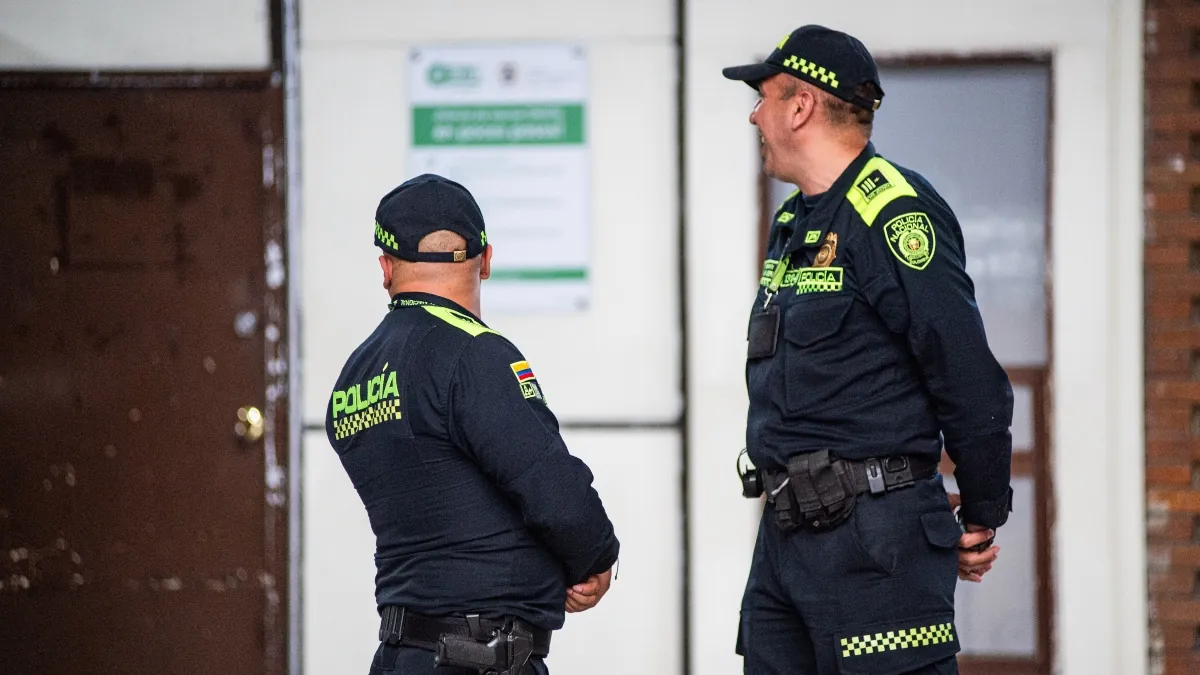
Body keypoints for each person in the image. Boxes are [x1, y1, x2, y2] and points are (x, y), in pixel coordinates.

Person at [723, 25, 1013, 675]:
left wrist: (981, 510)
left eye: (764, 97)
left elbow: (964, 370)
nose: (755, 115)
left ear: (801, 106)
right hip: (784, 539)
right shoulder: (794, 220)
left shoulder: (893, 214)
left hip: (876, 543)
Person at [325, 174, 619, 675]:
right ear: (485, 260)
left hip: (399, 655)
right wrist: (595, 558)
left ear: (386, 268)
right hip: (479, 656)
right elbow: (553, 489)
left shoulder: (354, 375)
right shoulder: (475, 353)